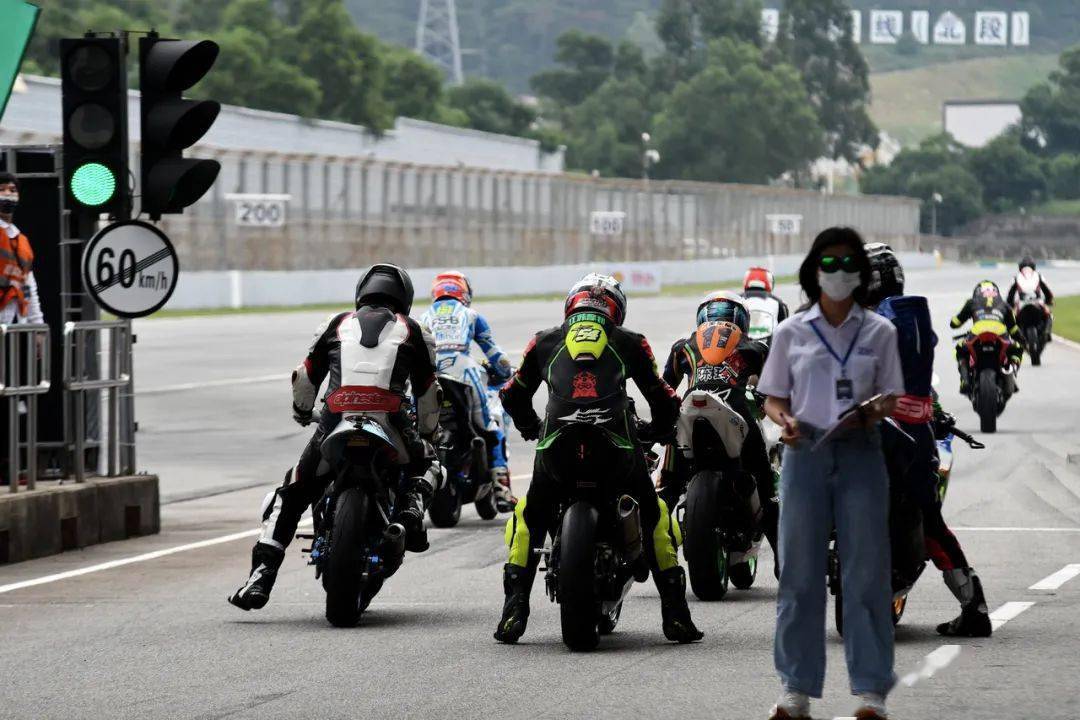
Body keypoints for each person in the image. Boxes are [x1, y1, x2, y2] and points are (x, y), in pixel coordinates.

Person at [494, 273, 703, 645]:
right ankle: (675, 614)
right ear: (615, 311)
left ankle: (514, 609)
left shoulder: (544, 340)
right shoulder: (631, 341)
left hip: (557, 448)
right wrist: (657, 431)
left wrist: (532, 428)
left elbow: (512, 394)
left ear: (571, 306)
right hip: (616, 449)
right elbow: (663, 396)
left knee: (529, 515)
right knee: (654, 513)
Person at [229, 264, 444, 611]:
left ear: (361, 293)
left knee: (292, 491)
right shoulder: (416, 330)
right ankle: (409, 514)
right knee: (430, 464)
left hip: (336, 419)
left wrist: (302, 411)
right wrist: (429, 433)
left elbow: (304, 377)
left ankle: (261, 575)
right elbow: (429, 393)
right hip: (392, 420)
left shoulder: (335, 323)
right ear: (404, 298)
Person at [758, 227, 905, 720]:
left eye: (848, 264)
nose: (839, 273)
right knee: (799, 575)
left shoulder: (880, 332)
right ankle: (794, 691)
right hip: (805, 452)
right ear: (814, 270)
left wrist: (873, 410)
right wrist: (785, 422)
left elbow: (892, 397)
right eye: (830, 263)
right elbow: (773, 398)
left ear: (861, 273)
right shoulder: (791, 331)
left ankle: (871, 693)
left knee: (866, 574)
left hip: (861, 451)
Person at [865, 243, 992, 638]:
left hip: (881, 428)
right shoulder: (911, 315)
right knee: (931, 520)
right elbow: (918, 384)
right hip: (915, 432)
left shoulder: (875, 321)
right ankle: (974, 606)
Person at [658, 290, 778, 564]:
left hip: (689, 411)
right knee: (766, 486)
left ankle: (652, 548)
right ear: (742, 319)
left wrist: (658, 425)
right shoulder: (754, 346)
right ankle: (783, 562)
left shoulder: (683, 346)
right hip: (737, 412)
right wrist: (762, 398)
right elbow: (776, 385)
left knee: (667, 487)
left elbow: (663, 389)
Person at [419, 271, 515, 511]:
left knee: (413, 429)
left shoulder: (423, 318)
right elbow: (496, 355)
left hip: (428, 375)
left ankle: (402, 492)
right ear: (464, 293)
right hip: (464, 373)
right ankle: (501, 488)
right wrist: (506, 372)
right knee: (490, 428)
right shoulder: (471, 315)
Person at [0, 172, 44, 486]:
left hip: (16, 328)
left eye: (13, 189)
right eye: (2, 189)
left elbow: (29, 287)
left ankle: (14, 463)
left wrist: (38, 327)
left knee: (17, 399)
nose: (8, 195)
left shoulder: (20, 240)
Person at [950, 281, 1024, 394]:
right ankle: (1011, 371)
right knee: (1017, 348)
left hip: (977, 333)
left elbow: (955, 323)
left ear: (977, 292)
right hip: (1000, 334)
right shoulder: (1004, 304)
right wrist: (1022, 339)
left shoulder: (971, 302)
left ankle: (965, 380)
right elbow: (1013, 329)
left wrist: (955, 320)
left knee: (959, 350)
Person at [1006, 256, 1054, 341]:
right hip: (1037, 302)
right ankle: (1047, 332)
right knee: (1049, 315)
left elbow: (1010, 294)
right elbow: (1047, 291)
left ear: (1020, 267)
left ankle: (1013, 336)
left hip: (1021, 304)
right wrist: (1049, 300)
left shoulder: (1016, 277)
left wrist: (1010, 304)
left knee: (1011, 318)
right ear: (1033, 267)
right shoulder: (1039, 276)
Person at [741, 266, 790, 342]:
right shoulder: (778, 303)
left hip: (741, 346)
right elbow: (784, 331)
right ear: (769, 282)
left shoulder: (736, 300)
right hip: (770, 346)